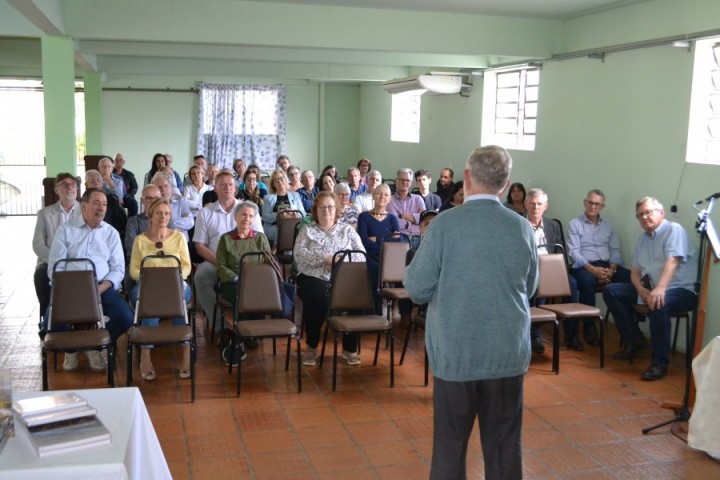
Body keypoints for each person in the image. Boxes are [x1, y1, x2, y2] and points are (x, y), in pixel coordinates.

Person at [405, 145, 538, 480]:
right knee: (505, 449)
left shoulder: (445, 225)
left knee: (449, 450)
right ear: (506, 185)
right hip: (506, 353)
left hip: (457, 353)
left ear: (466, 178)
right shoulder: (521, 227)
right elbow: (531, 286)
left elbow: (417, 288)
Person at [603, 197, 697, 381]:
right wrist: (640, 289)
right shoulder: (641, 240)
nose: (644, 217)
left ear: (661, 213)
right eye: (640, 215)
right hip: (652, 289)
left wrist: (660, 288)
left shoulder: (673, 230)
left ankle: (659, 362)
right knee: (612, 290)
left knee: (658, 302)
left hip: (682, 290)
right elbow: (635, 272)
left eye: (649, 212)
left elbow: (673, 260)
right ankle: (635, 341)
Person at [47, 189, 134, 372]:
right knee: (51, 322)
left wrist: (101, 287)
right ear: (84, 206)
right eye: (96, 203)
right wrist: (70, 289)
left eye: (104, 204)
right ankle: (71, 348)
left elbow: (118, 269)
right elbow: (55, 268)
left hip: (101, 286)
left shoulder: (111, 233)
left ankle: (94, 344)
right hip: (71, 288)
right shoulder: (65, 230)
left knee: (125, 316)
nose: (101, 208)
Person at [294, 191, 366, 367]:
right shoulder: (307, 230)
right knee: (317, 296)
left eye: (330, 207)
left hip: (343, 278)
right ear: (315, 210)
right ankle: (311, 346)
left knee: (354, 297)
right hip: (312, 276)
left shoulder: (347, 229)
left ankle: (349, 349)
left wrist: (337, 260)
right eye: (322, 207)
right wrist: (323, 259)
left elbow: (362, 255)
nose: (326, 210)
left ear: (336, 210)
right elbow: (299, 255)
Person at [129, 198, 192, 381]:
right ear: (150, 216)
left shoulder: (179, 237)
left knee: (176, 297)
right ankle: (146, 354)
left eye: (166, 213)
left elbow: (187, 267)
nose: (163, 216)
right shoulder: (140, 240)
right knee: (152, 299)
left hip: (175, 284)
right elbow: (133, 270)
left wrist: (174, 278)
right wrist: (152, 278)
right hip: (148, 286)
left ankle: (186, 349)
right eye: (158, 213)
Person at [193, 171, 263, 326]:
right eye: (222, 184)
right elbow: (200, 246)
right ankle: (220, 326)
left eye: (230, 184)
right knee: (200, 277)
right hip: (215, 260)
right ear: (215, 189)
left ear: (236, 189)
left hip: (246, 261)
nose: (227, 188)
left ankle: (249, 326)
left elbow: (259, 239)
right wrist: (222, 263)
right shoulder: (205, 212)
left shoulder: (249, 209)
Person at [567, 189, 631, 349]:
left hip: (608, 265)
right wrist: (592, 270)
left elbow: (616, 250)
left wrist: (612, 269)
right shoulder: (574, 224)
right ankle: (589, 326)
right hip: (584, 266)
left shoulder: (609, 227)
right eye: (590, 202)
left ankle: (630, 328)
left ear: (602, 206)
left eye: (597, 204)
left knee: (630, 278)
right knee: (587, 282)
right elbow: (574, 252)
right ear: (584, 202)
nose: (593, 206)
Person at [215, 201, 272, 362]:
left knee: (257, 294)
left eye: (251, 216)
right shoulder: (226, 239)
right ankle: (242, 338)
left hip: (256, 282)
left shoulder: (260, 238)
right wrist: (236, 278)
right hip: (232, 282)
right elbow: (220, 266)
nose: (247, 218)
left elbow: (268, 263)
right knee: (243, 295)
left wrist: (256, 280)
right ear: (236, 216)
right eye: (243, 215)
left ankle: (249, 334)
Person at [524, 188, 579, 352]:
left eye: (539, 204)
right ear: (526, 205)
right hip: (528, 270)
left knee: (572, 285)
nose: (536, 207)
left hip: (549, 269)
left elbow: (560, 252)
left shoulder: (552, 225)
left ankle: (571, 335)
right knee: (535, 286)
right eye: (532, 204)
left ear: (545, 206)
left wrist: (553, 270)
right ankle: (534, 335)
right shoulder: (518, 224)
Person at [33, 172, 81, 322]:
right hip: (49, 261)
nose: (69, 188)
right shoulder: (45, 214)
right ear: (56, 190)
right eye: (64, 185)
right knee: (41, 277)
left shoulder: (85, 212)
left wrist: (70, 261)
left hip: (77, 260)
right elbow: (38, 244)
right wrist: (57, 260)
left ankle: (77, 318)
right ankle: (50, 320)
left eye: (72, 185)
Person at [356, 184, 399, 313]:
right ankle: (374, 312)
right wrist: (386, 240)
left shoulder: (392, 218)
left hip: (388, 256)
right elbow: (363, 241)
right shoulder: (364, 216)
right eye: (379, 193)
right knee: (374, 269)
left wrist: (377, 239)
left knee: (405, 268)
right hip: (369, 256)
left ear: (390, 198)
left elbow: (397, 241)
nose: (382, 197)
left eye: (386, 194)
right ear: (373, 196)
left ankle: (403, 313)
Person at [262, 169, 306, 245]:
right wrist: (279, 214)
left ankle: (277, 250)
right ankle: (285, 253)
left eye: (282, 179)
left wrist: (292, 212)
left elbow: (303, 213)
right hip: (274, 227)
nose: (279, 181)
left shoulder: (295, 195)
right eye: (276, 180)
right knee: (284, 230)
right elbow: (265, 217)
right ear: (273, 184)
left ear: (286, 180)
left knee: (292, 230)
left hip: (292, 224)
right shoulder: (268, 198)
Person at [387, 168, 425, 247]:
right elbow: (395, 222)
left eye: (407, 180)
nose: (404, 182)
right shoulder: (390, 200)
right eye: (401, 180)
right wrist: (413, 221)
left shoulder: (418, 199)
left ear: (411, 183)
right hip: (400, 238)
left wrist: (403, 216)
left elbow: (423, 219)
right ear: (396, 181)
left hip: (419, 237)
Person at [152, 171, 193, 241]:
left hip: (182, 245)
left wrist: (165, 223)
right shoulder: (152, 207)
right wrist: (178, 227)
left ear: (171, 188)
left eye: (165, 186)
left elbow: (190, 222)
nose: (163, 190)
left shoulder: (181, 203)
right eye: (159, 187)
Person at [86, 169, 127, 238]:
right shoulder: (83, 202)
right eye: (92, 181)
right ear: (86, 185)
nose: (96, 182)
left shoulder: (111, 200)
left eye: (99, 180)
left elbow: (119, 224)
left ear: (102, 183)